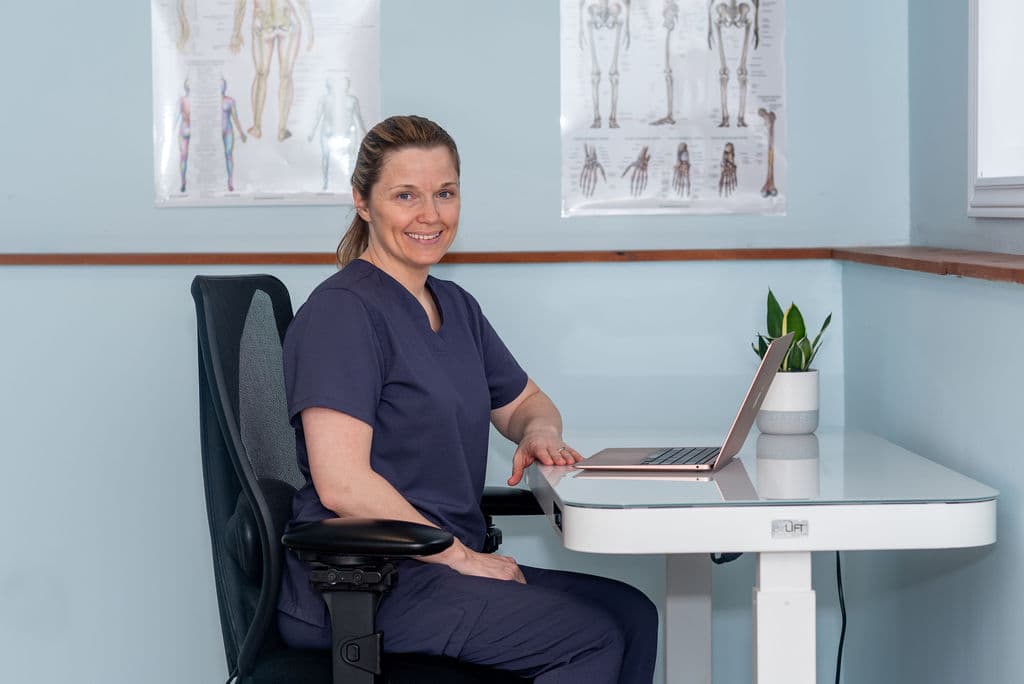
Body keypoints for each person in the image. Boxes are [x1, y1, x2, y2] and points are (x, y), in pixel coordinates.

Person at [278, 115, 658, 683]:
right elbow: (342, 483)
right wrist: (461, 557)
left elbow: (527, 402)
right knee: (587, 639)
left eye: (445, 193)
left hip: (435, 569)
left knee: (632, 615)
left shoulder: (453, 306)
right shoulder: (342, 314)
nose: (430, 214)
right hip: (367, 583)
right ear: (363, 201)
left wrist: (539, 432)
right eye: (406, 195)